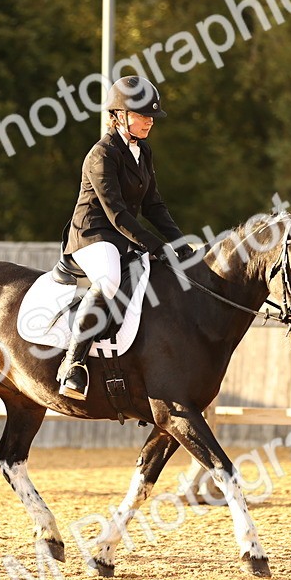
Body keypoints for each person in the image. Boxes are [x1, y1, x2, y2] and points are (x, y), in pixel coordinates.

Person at [57, 75, 194, 400]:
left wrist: (179, 244)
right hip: (92, 234)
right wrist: (158, 246)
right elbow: (116, 213)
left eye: (151, 117)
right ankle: (73, 365)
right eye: (142, 115)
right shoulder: (101, 155)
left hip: (124, 236)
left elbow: (154, 205)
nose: (149, 122)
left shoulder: (142, 151)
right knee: (110, 280)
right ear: (119, 115)